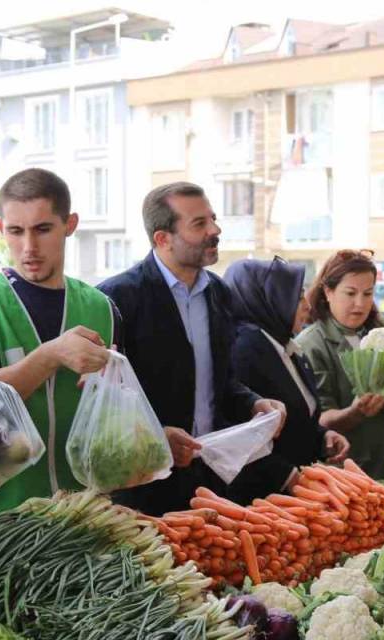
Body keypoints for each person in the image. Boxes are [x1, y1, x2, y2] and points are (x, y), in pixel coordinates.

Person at [0, 168, 119, 527]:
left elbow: (113, 405)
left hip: (76, 519)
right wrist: (50, 356)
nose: (29, 247)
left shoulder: (101, 307)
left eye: (43, 229)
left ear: (70, 225)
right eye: (15, 231)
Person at [98, 182, 285, 516]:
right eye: (199, 224)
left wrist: (253, 403)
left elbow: (221, 381)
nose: (215, 230)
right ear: (163, 239)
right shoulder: (116, 299)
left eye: (213, 219)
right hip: (143, 490)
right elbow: (104, 399)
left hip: (211, 482)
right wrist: (156, 438)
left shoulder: (219, 293)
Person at [223, 257, 351, 503]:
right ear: (268, 300)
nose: (307, 306)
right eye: (297, 297)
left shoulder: (282, 345)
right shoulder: (244, 349)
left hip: (299, 496)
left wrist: (322, 436)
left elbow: (298, 416)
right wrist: (287, 476)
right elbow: (239, 431)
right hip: (262, 503)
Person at [296, 249, 384, 479]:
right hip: (346, 474)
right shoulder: (310, 345)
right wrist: (355, 413)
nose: (360, 303)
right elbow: (320, 419)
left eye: (368, 293)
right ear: (328, 291)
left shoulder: (381, 329)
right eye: (351, 293)